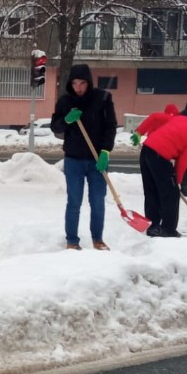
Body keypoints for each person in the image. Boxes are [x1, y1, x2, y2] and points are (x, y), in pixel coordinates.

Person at [50, 63, 117, 250]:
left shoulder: (102, 99)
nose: (78, 87)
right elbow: (55, 126)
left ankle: (98, 239)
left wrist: (105, 151)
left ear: (89, 83)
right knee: (74, 201)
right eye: (75, 83)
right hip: (73, 160)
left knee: (97, 201)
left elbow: (110, 126)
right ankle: (72, 240)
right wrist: (66, 120)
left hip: (97, 159)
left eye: (82, 83)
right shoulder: (65, 102)